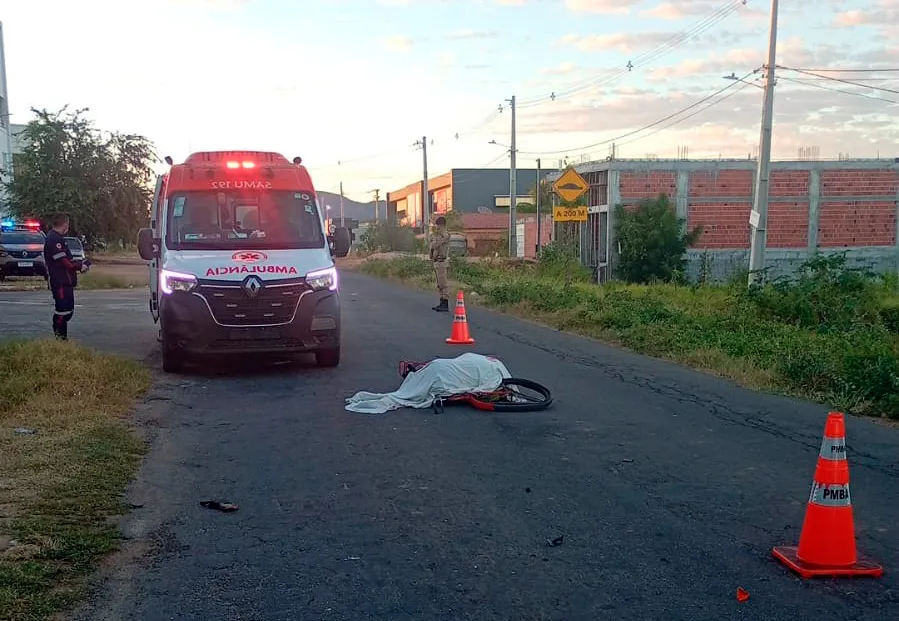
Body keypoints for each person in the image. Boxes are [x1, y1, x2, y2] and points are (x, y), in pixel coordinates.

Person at [43, 212, 88, 340]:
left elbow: (67, 260)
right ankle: (60, 336)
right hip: (60, 281)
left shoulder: (57, 238)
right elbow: (64, 262)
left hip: (66, 281)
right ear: (65, 224)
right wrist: (80, 266)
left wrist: (80, 264)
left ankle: (62, 336)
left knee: (68, 310)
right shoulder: (54, 239)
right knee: (63, 310)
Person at [428, 216, 451, 312]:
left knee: (443, 284)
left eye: (438, 226)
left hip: (442, 262)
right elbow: (432, 246)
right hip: (437, 262)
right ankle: (441, 302)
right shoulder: (438, 236)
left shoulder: (445, 235)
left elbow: (435, 245)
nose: (437, 228)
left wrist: (433, 242)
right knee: (439, 284)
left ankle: (445, 303)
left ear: (442, 225)